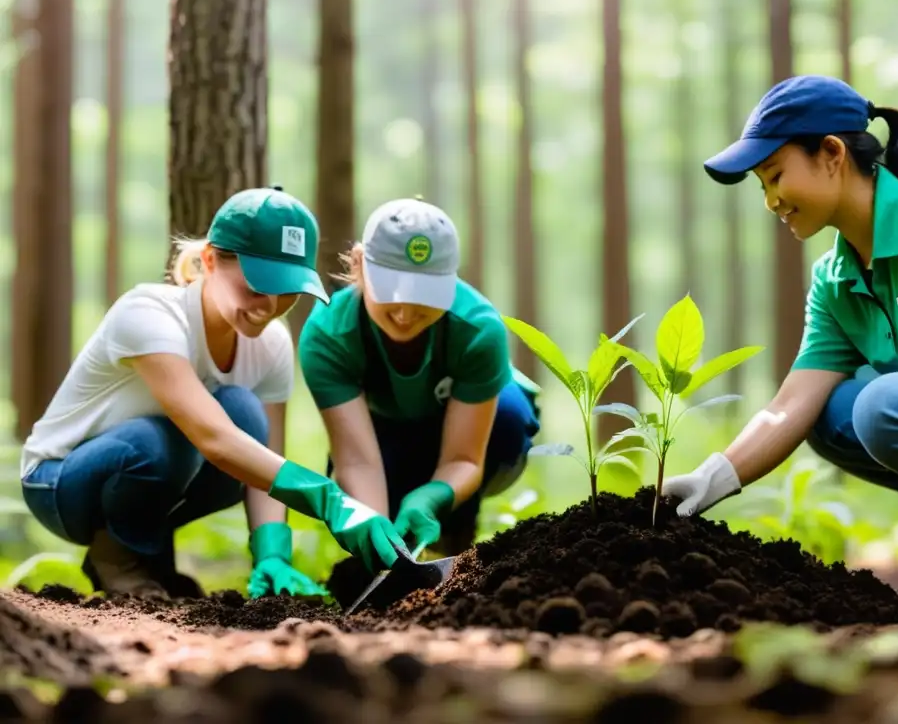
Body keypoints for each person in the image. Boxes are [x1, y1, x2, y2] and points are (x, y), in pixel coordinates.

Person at [662, 74, 898, 611]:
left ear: (831, 153)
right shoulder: (835, 277)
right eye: (762, 186)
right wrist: (712, 478)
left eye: (775, 175)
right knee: (833, 415)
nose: (771, 200)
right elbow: (792, 404)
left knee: (883, 404)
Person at [20, 186, 409, 600]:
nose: (270, 306)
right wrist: (328, 498)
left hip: (153, 473)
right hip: (61, 482)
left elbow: (264, 465)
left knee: (245, 417)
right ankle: (120, 560)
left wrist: (272, 554)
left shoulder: (272, 344)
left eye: (288, 291)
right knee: (158, 441)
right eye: (257, 287)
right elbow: (213, 439)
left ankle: (151, 562)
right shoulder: (148, 315)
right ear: (209, 260)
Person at [297, 198, 541, 559]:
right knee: (381, 512)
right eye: (391, 290)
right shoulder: (328, 334)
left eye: (423, 295)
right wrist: (375, 533)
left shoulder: (478, 329)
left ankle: (457, 539)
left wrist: (433, 496)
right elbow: (356, 460)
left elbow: (465, 458)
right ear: (361, 264)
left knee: (506, 416)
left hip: (475, 438)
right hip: (381, 440)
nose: (405, 313)